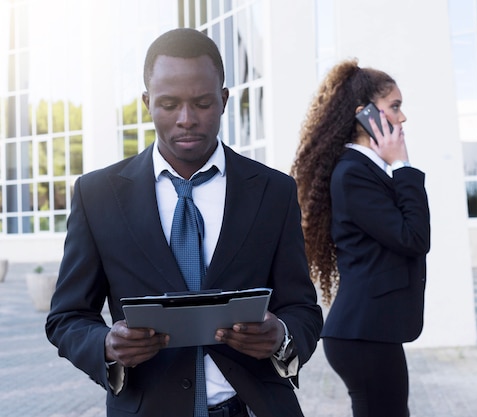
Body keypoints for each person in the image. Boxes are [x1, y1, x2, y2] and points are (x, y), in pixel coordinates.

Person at [46, 28, 323, 417]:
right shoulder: (97, 195)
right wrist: (107, 345)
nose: (186, 119)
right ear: (146, 102)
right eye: (169, 104)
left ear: (224, 100)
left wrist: (281, 335)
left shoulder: (274, 192)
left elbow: (303, 309)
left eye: (202, 103)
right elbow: (67, 317)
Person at [291, 59, 430, 417]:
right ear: (365, 115)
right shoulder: (353, 173)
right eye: (394, 107)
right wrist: (403, 165)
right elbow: (414, 237)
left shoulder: (366, 170)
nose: (402, 118)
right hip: (363, 334)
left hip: (371, 332)